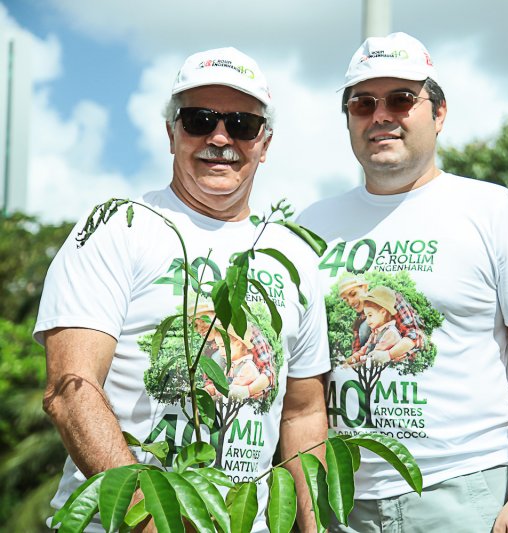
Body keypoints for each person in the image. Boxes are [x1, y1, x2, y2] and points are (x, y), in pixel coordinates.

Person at [36, 47, 329, 533]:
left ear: (265, 142)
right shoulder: (120, 226)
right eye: (199, 119)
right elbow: (70, 390)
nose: (220, 137)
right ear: (171, 133)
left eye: (241, 124)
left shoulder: (293, 255)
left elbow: (303, 413)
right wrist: (155, 522)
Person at [297, 32, 508, 532]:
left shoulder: (493, 210)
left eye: (401, 99)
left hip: (465, 492)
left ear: (439, 114)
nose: (381, 115)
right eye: (362, 103)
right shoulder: (310, 227)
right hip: (342, 502)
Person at [338, 271, 425, 363]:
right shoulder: (360, 320)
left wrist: (390, 354)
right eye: (346, 299)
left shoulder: (389, 299)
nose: (350, 302)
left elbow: (415, 335)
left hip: (397, 362)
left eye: (353, 294)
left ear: (365, 287)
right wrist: (347, 363)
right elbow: (359, 351)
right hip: (372, 365)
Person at [345, 286, 403, 367]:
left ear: (383, 312)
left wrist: (350, 367)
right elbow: (363, 351)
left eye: (370, 315)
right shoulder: (375, 333)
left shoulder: (390, 333)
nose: (367, 321)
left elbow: (372, 360)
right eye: (366, 316)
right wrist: (349, 360)